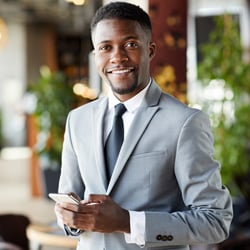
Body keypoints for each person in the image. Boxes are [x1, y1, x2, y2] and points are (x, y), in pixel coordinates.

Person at [54, 2, 233, 250]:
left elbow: (214, 221)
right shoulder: (77, 120)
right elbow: (68, 201)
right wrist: (71, 220)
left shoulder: (185, 123)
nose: (117, 57)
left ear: (150, 50)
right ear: (96, 55)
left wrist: (127, 222)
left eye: (130, 45)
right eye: (106, 47)